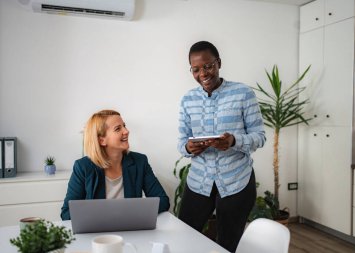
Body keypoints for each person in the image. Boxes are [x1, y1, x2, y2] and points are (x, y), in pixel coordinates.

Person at [177, 41, 266, 252]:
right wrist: (190, 148)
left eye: (208, 66)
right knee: (184, 236)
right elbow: (182, 142)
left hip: (236, 181)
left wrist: (233, 141)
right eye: (196, 69)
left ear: (219, 63)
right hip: (199, 181)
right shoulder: (187, 100)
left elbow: (259, 136)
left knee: (228, 243)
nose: (203, 74)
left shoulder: (243, 93)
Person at [61, 109, 170, 220]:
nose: (126, 131)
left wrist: (132, 213)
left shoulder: (140, 161)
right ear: (102, 140)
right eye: (118, 129)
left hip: (131, 228)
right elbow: (67, 213)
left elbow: (163, 200)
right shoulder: (83, 167)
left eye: (124, 126)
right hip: (97, 232)